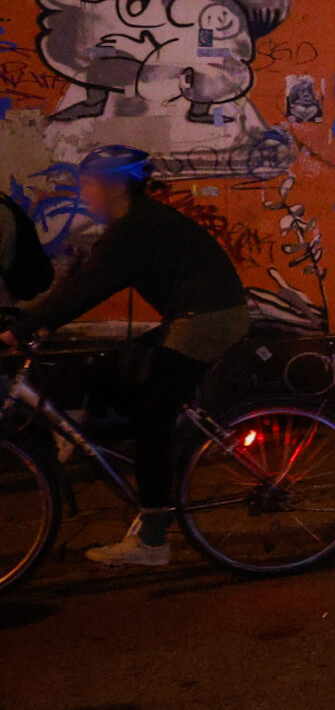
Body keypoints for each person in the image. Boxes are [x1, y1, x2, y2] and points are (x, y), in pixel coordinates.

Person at [1, 146, 249, 567]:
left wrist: (19, 330)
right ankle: (87, 435)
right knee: (109, 370)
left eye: (90, 186)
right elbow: (91, 278)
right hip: (200, 314)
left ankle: (153, 540)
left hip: (208, 319)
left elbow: (86, 291)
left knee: (155, 420)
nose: (86, 195)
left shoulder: (134, 228)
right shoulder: (134, 225)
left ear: (115, 186)